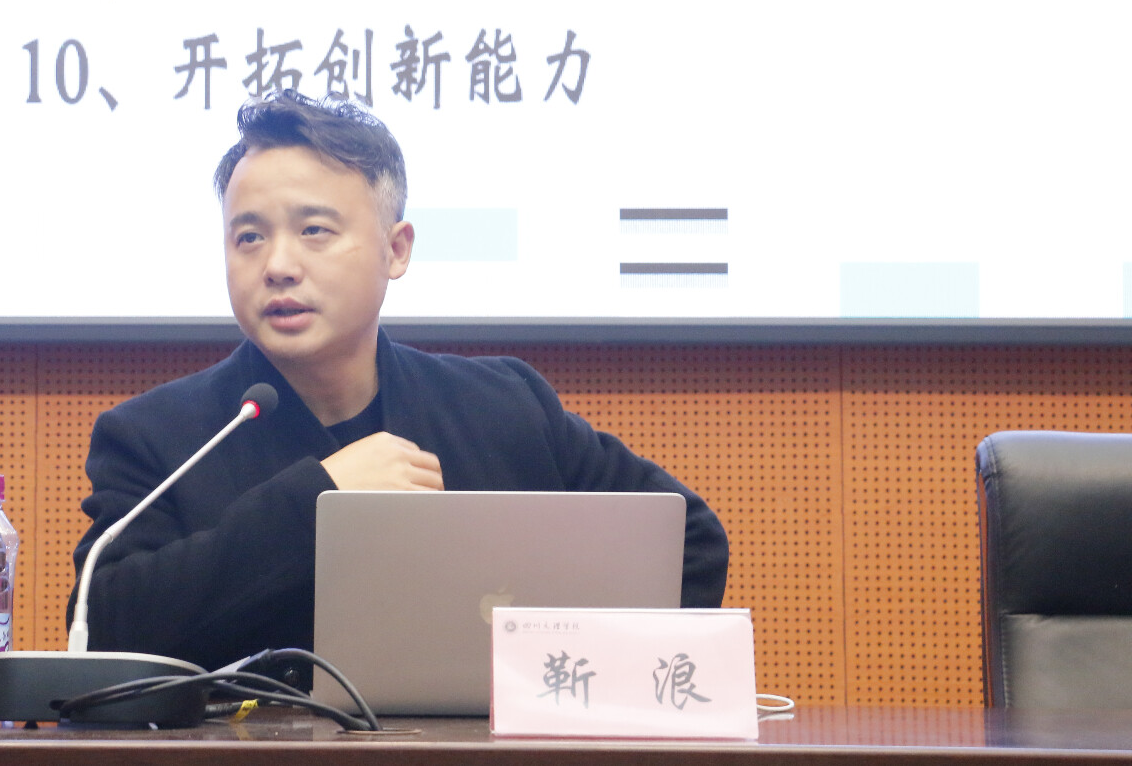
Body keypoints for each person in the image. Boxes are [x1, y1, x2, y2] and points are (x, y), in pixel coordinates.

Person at [71, 92, 729, 672]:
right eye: (248, 238)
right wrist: (319, 500)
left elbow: (687, 542)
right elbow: (102, 629)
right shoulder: (159, 437)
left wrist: (563, 686)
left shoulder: (501, 408)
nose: (278, 265)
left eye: (314, 231)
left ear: (396, 249)